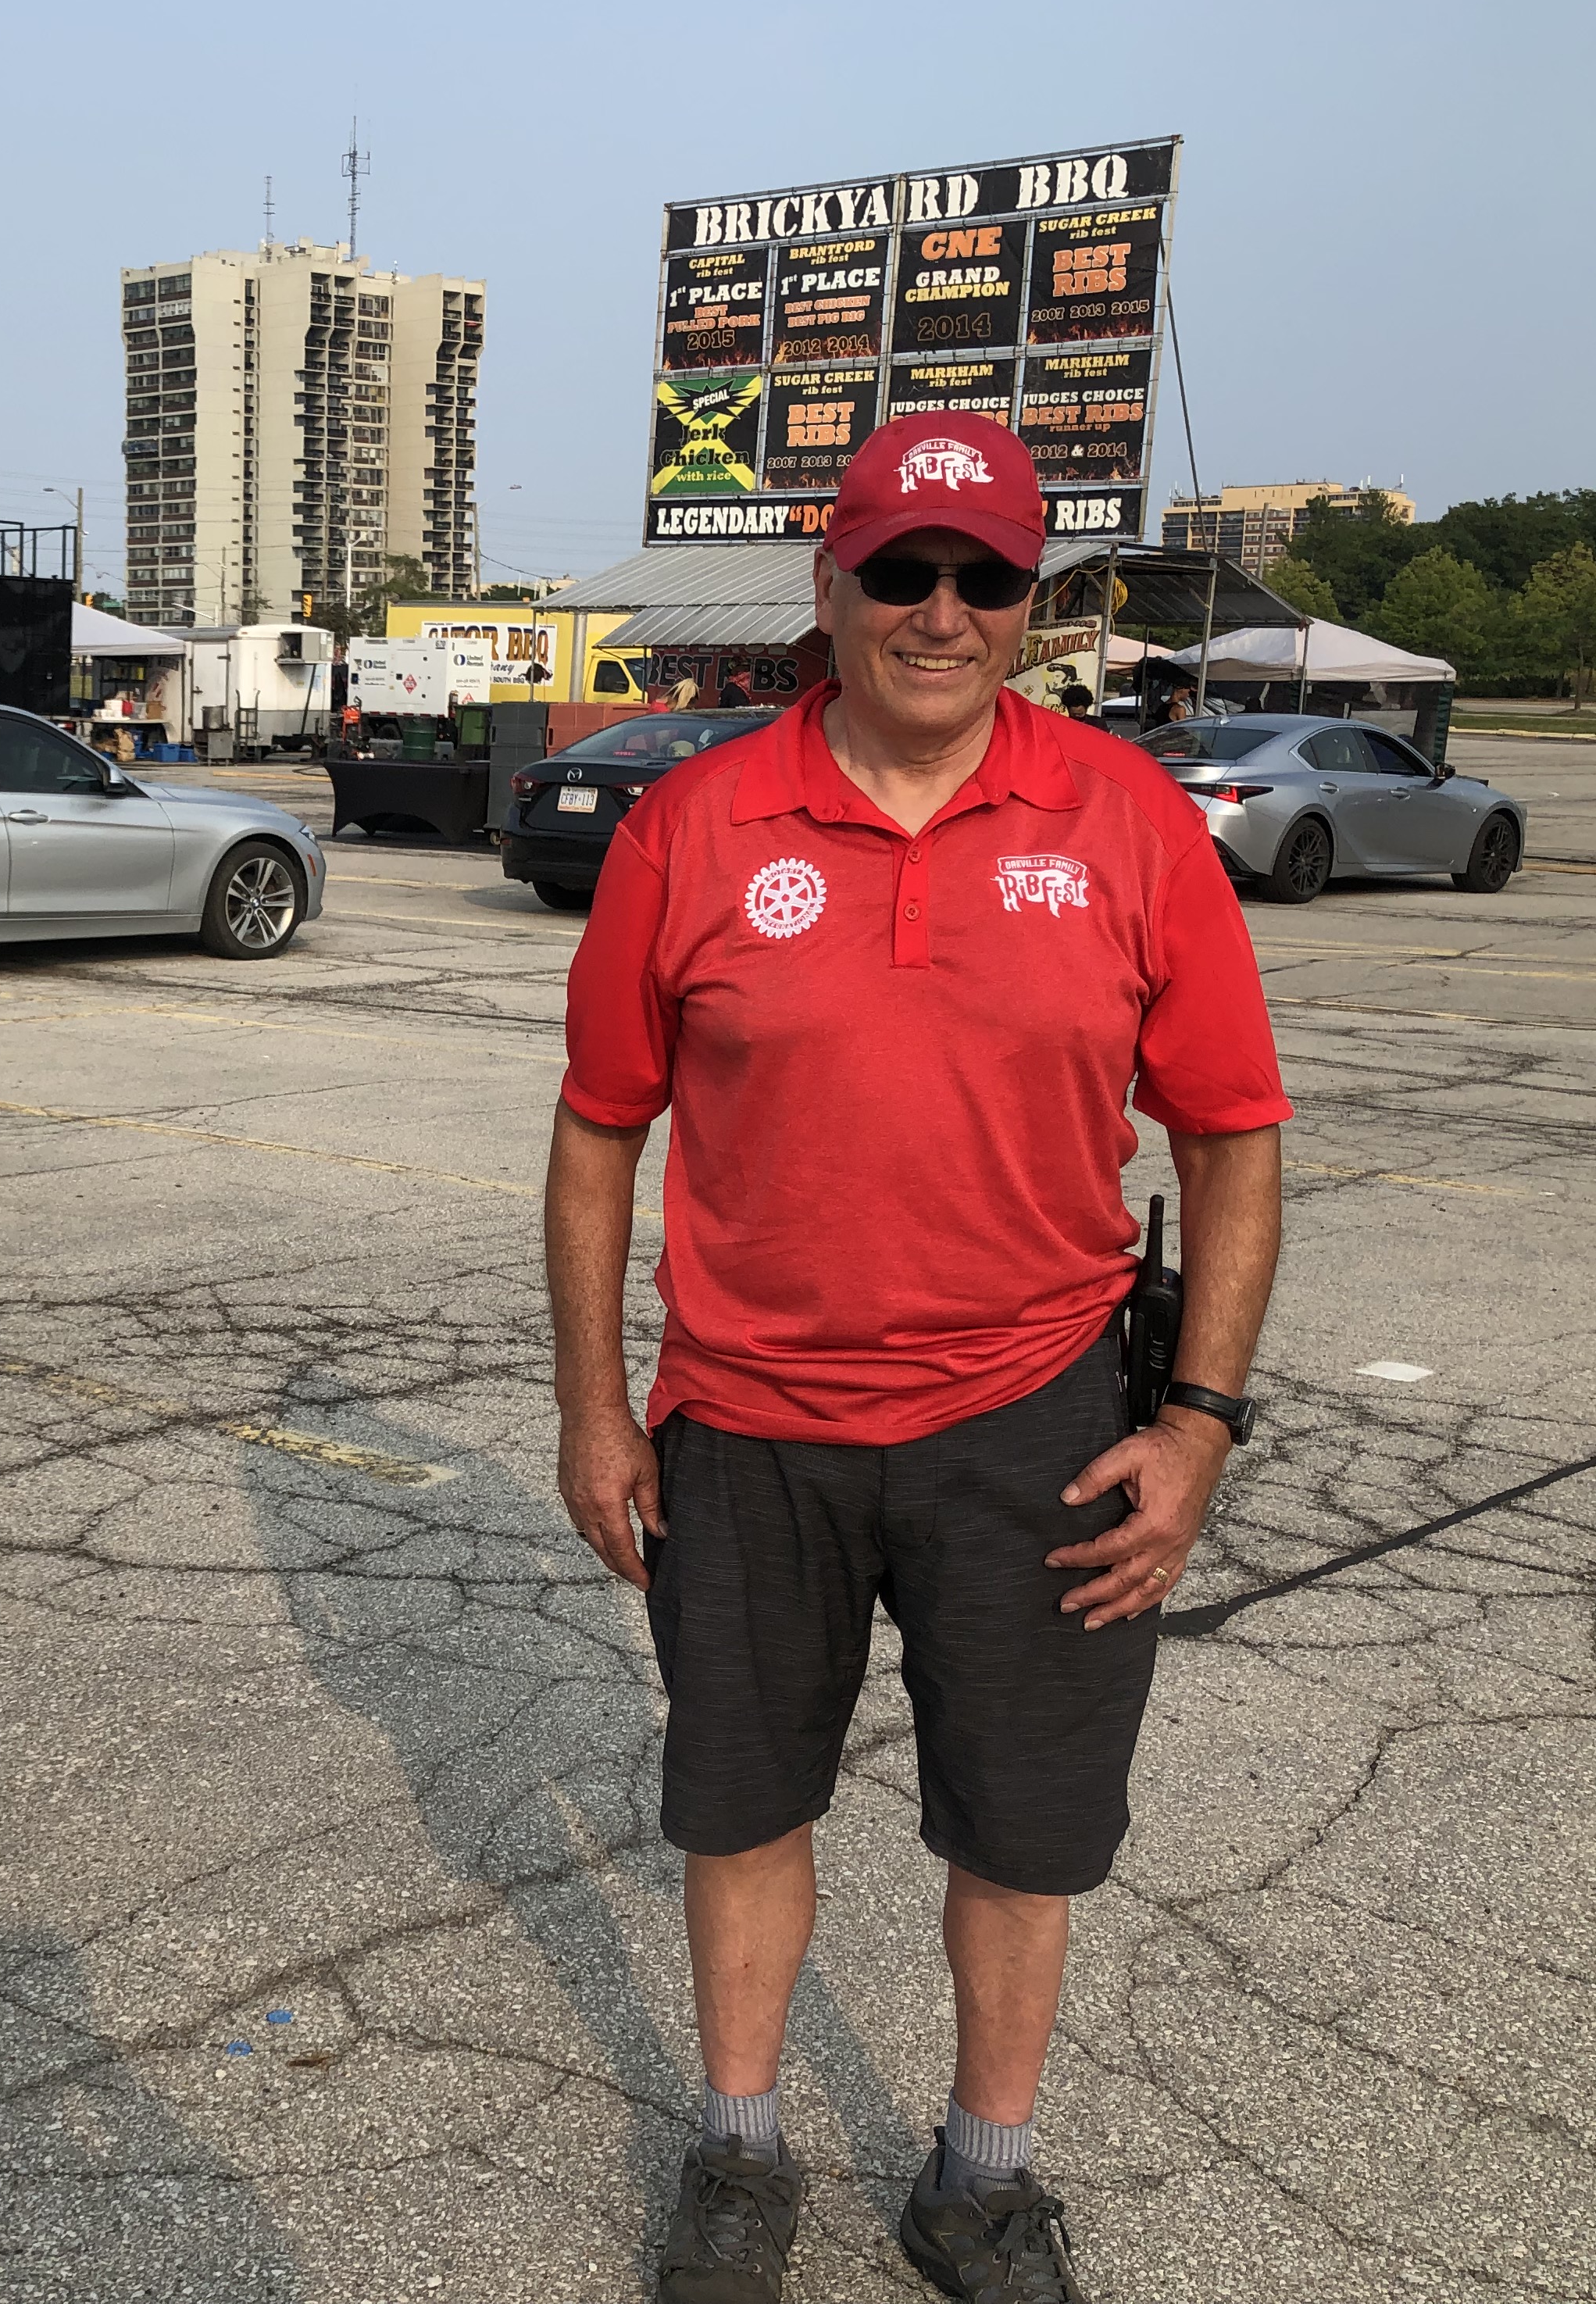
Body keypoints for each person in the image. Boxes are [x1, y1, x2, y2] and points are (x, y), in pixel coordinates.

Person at [544, 411, 1286, 2304]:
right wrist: (591, 1409)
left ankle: (984, 2177)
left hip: (1038, 1417)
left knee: (1021, 1831)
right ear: (832, 584)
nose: (941, 611)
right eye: (903, 570)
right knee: (740, 1805)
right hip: (746, 1423)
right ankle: (739, 2151)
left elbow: (1231, 1132)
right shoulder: (694, 827)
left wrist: (1197, 1422)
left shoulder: (1123, 818)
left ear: (1031, 603)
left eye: (984, 577)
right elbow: (599, 1128)